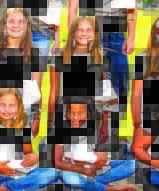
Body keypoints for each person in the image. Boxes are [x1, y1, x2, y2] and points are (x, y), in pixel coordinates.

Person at [0, 87, 58, 191]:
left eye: (12, 105)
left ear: (19, 107)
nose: (7, 109)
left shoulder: (23, 125)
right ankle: (23, 186)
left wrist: (34, 156)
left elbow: (27, 152)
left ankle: (4, 188)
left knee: (51, 173)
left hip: (17, 171)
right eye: (2, 105)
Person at [0, 8, 47, 137]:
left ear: (27, 25)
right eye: (11, 21)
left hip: (23, 113)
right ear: (4, 24)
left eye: (20, 22)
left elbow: (36, 91)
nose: (16, 25)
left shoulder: (34, 55)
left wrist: (37, 118)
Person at [48, 16, 115, 144]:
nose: (84, 34)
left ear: (95, 34)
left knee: (86, 153)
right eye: (80, 30)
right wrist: (50, 121)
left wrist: (105, 124)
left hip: (91, 115)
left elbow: (105, 94)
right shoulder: (59, 57)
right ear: (73, 33)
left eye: (89, 30)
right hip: (66, 113)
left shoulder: (100, 58)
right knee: (61, 152)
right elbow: (54, 92)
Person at [51, 96, 137, 191]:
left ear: (87, 114)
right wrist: (85, 170)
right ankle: (99, 186)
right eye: (71, 113)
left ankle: (92, 184)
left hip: (91, 165)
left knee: (131, 164)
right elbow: (57, 162)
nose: (75, 117)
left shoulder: (88, 126)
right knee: (74, 180)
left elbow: (94, 148)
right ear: (65, 112)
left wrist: (101, 153)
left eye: (81, 113)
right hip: (69, 170)